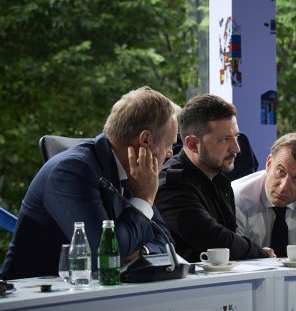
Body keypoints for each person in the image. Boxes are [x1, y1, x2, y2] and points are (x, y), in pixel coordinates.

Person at [0, 86, 178, 280]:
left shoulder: (134, 172)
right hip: (35, 293)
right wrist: (143, 198)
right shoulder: (71, 170)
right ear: (145, 139)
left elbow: (166, 241)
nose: (171, 153)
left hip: (90, 289)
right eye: (169, 145)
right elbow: (102, 257)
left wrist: (141, 252)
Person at [155, 95, 274, 262]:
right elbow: (217, 241)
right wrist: (259, 252)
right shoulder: (171, 185)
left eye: (236, 137)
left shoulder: (220, 181)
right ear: (192, 144)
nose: (236, 149)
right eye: (224, 139)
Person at [232, 133, 296, 257]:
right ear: (269, 164)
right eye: (281, 171)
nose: (283, 188)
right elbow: (232, 258)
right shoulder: (236, 196)